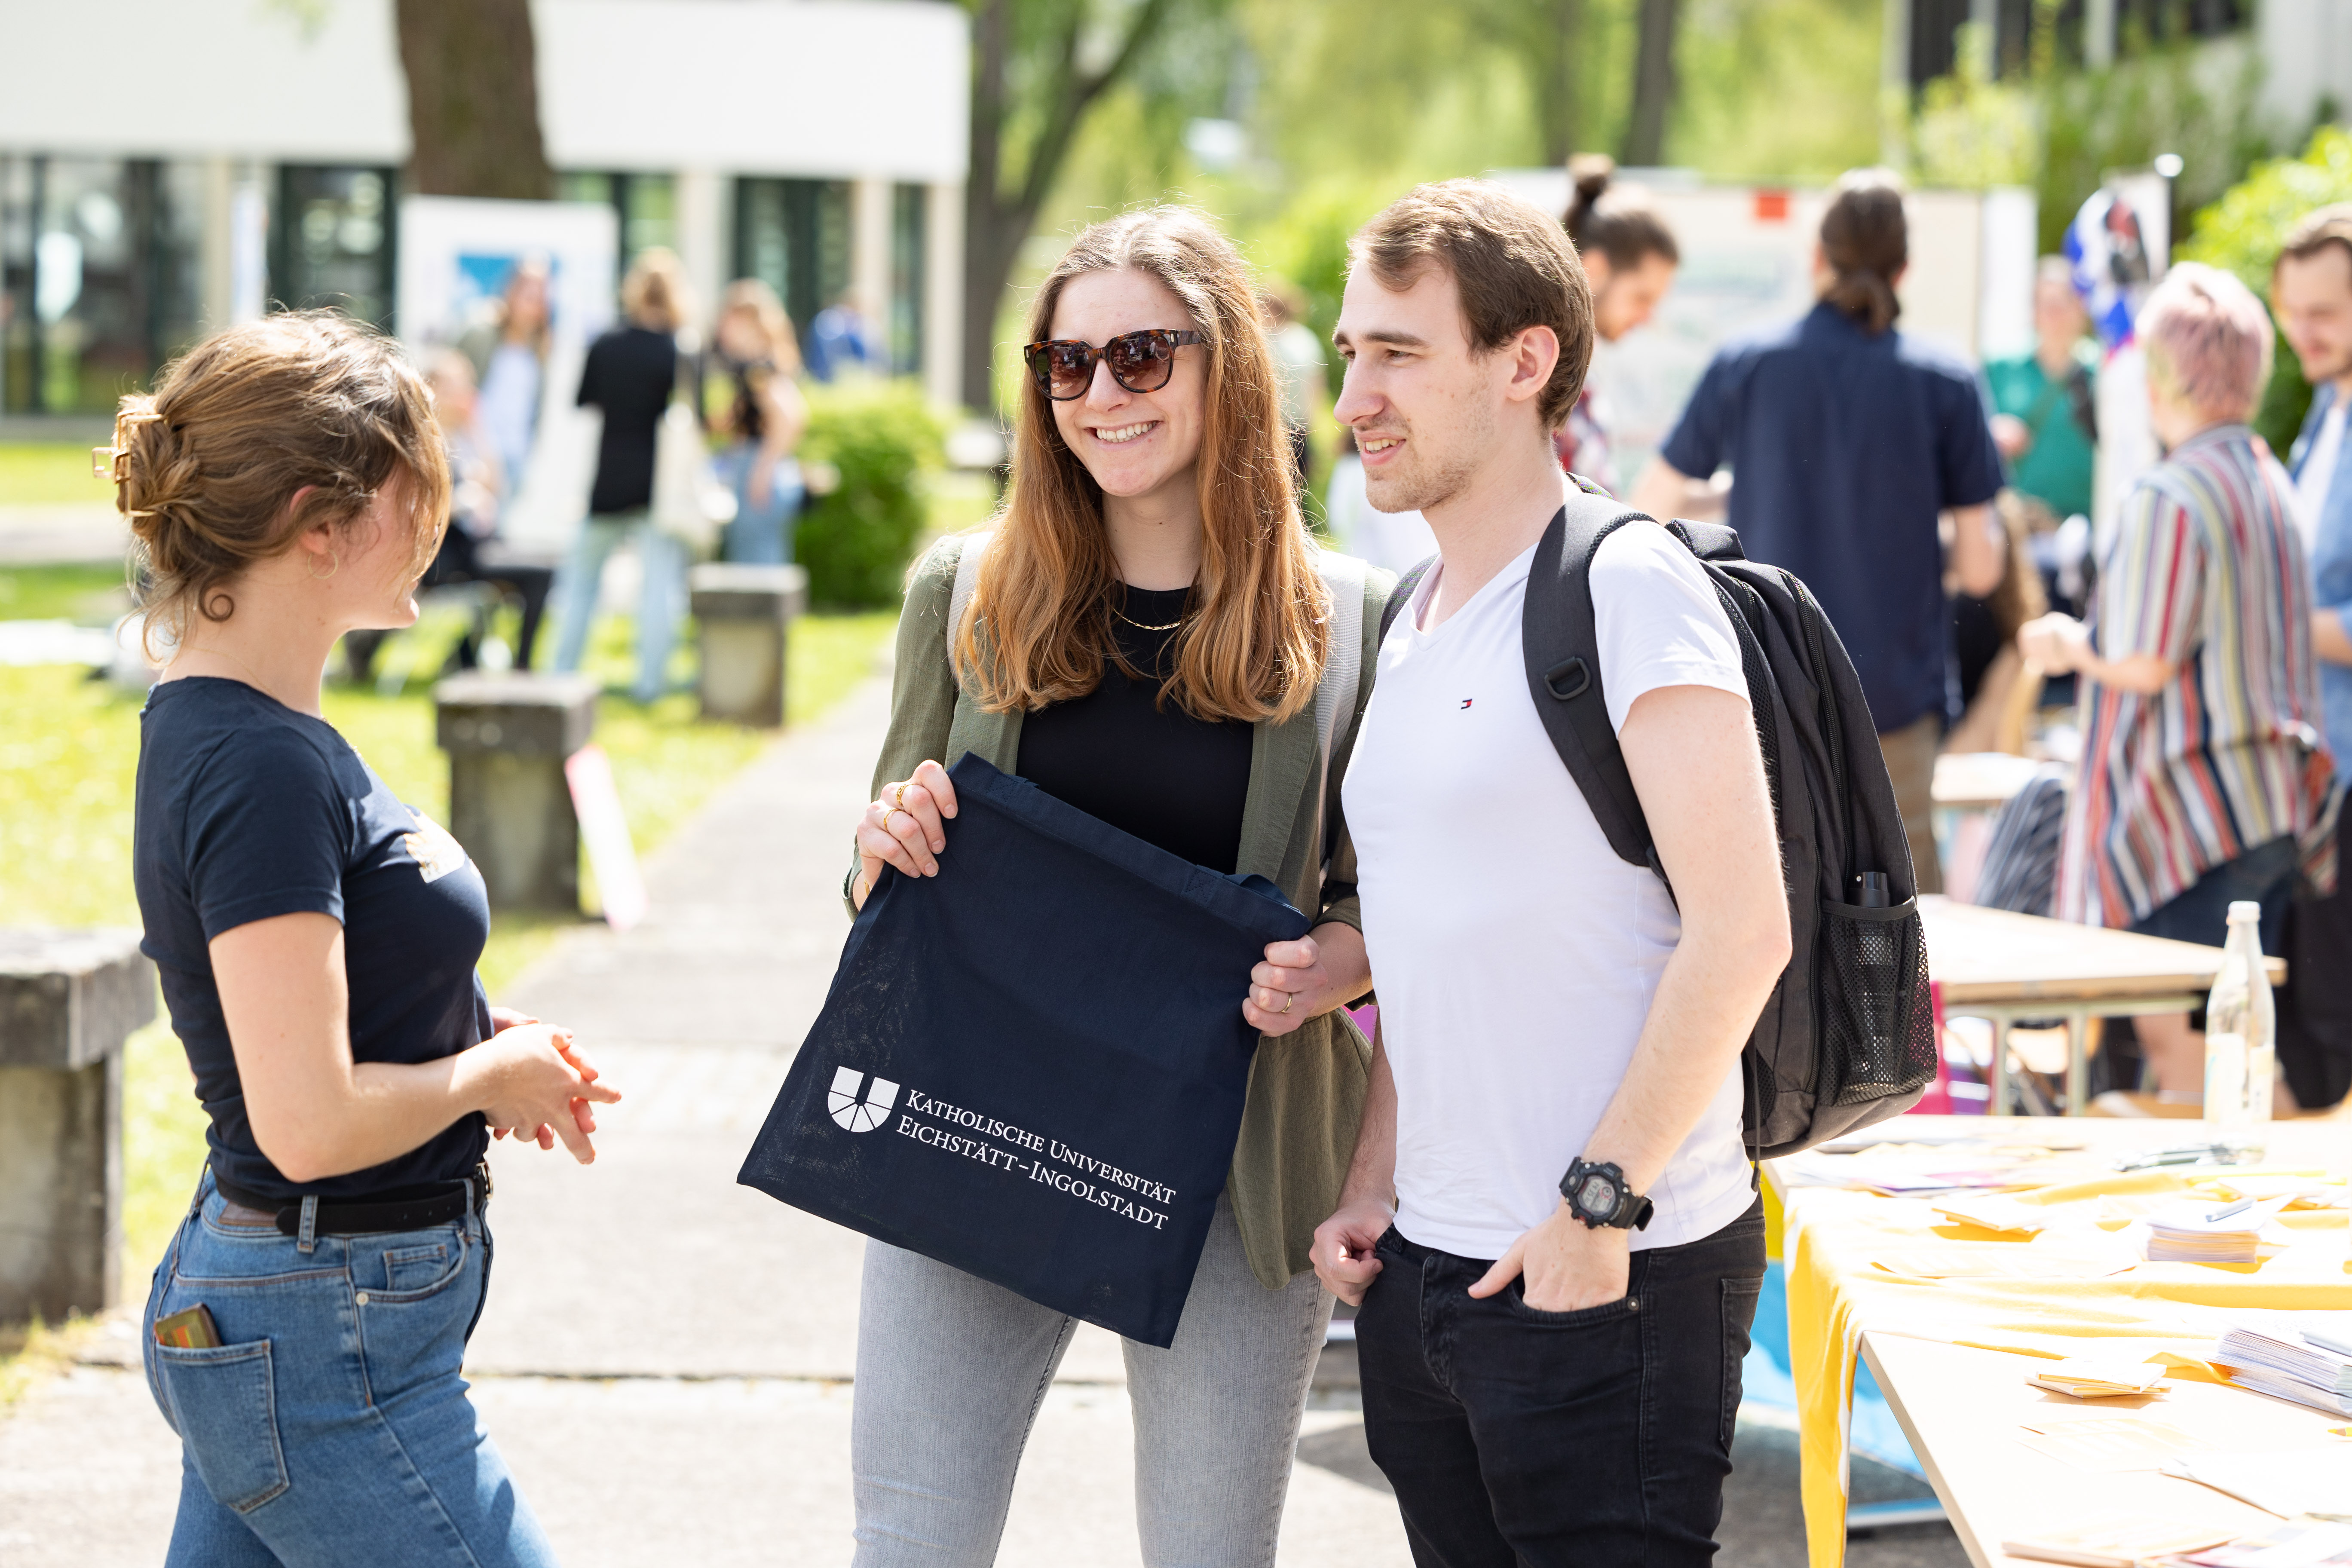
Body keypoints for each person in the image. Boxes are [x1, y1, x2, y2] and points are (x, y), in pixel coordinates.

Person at [842, 205, 1389, 1568]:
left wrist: (1343, 962)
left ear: (1226, 369)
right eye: (1065, 364)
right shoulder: (964, 591)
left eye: (1141, 355)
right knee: (911, 1543)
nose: (1099, 394)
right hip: (979, 1122)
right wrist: (882, 846)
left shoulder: (1356, 622)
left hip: (1232, 1164)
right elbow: (872, 885)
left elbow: (1404, 905)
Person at [1313, 178, 1789, 1565]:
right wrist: (1373, 1184)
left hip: (1607, 1275)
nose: (1357, 396)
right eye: (1351, 352)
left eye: (1398, 351)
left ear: (1524, 362)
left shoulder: (1626, 584)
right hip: (1424, 1283)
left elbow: (1743, 927)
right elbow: (1429, 944)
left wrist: (1600, 1202)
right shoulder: (1409, 617)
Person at [114, 312, 620, 1565]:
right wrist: (489, 1077)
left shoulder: (241, 727)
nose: (441, 518)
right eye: (419, 487)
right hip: (321, 1334)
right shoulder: (258, 759)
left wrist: (473, 1034)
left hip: (291, 1311)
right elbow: (310, 1121)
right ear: (319, 520)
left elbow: (315, 1006)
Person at [1630, 169, 2007, 893]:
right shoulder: (1946, 381)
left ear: (1816, 257)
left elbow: (1648, 508)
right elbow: (1983, 566)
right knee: (1905, 916)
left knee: (1774, 899)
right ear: (1903, 268)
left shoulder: (1747, 363)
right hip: (1895, 698)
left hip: (1767, 689)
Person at [2021, 263, 2335, 1097]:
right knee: (2236, 1040)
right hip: (2268, 803)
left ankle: (2219, 1213)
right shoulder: (2268, 478)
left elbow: (2146, 659)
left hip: (2189, 819)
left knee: (2183, 1051)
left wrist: (2069, 646)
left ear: (2163, 375)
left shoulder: (2174, 491)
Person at [2261, 207, 2352, 1109]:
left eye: (2324, 312)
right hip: (2318, 773)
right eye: (2292, 311)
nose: (2303, 333)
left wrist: (2281, 617)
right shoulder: (2326, 413)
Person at [343, 351, 554, 683]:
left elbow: (496, 486)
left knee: (544, 562)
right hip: (446, 556)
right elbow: (414, 509)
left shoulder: (464, 437)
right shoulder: (421, 443)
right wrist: (461, 503)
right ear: (434, 388)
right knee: (540, 574)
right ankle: (520, 671)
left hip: (476, 545)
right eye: (459, 386)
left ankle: (471, 656)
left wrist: (479, 430)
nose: (468, 394)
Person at [549, 247, 693, 704]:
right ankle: (650, 683)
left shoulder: (606, 344)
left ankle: (560, 675)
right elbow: (699, 418)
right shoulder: (677, 351)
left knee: (581, 583)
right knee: (657, 586)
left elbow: (584, 401)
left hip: (608, 478)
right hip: (658, 485)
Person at [1555, 154, 1680, 490]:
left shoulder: (1579, 380)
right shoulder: (1543, 385)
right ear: (1594, 269)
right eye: (1641, 297)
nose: (1647, 317)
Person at [1985, 257, 2100, 527]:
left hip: (2081, 527)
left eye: (2063, 304)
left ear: (2081, 309)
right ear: (2033, 311)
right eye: (2047, 305)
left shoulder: (2104, 374)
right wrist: (1992, 430)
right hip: (2017, 525)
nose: (2054, 314)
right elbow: (1966, 432)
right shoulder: (2001, 368)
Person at [707, 279, 810, 565]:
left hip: (760, 469)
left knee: (758, 562)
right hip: (757, 466)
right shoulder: (757, 365)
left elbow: (790, 417)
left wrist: (763, 469)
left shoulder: (760, 366)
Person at [462, 256, 552, 503]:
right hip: (474, 454)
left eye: (541, 293)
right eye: (528, 292)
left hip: (515, 454)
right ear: (512, 290)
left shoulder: (539, 346)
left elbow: (535, 407)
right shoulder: (480, 332)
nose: (534, 301)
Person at [1324, 423, 1436, 574]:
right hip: (1389, 577)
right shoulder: (1387, 472)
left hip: (1355, 568)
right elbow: (1404, 546)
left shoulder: (1345, 467)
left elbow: (1338, 518)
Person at [1262, 280, 1328, 490]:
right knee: (1296, 490)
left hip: (1281, 426)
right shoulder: (1306, 338)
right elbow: (1317, 386)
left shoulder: (1266, 341)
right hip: (1293, 426)